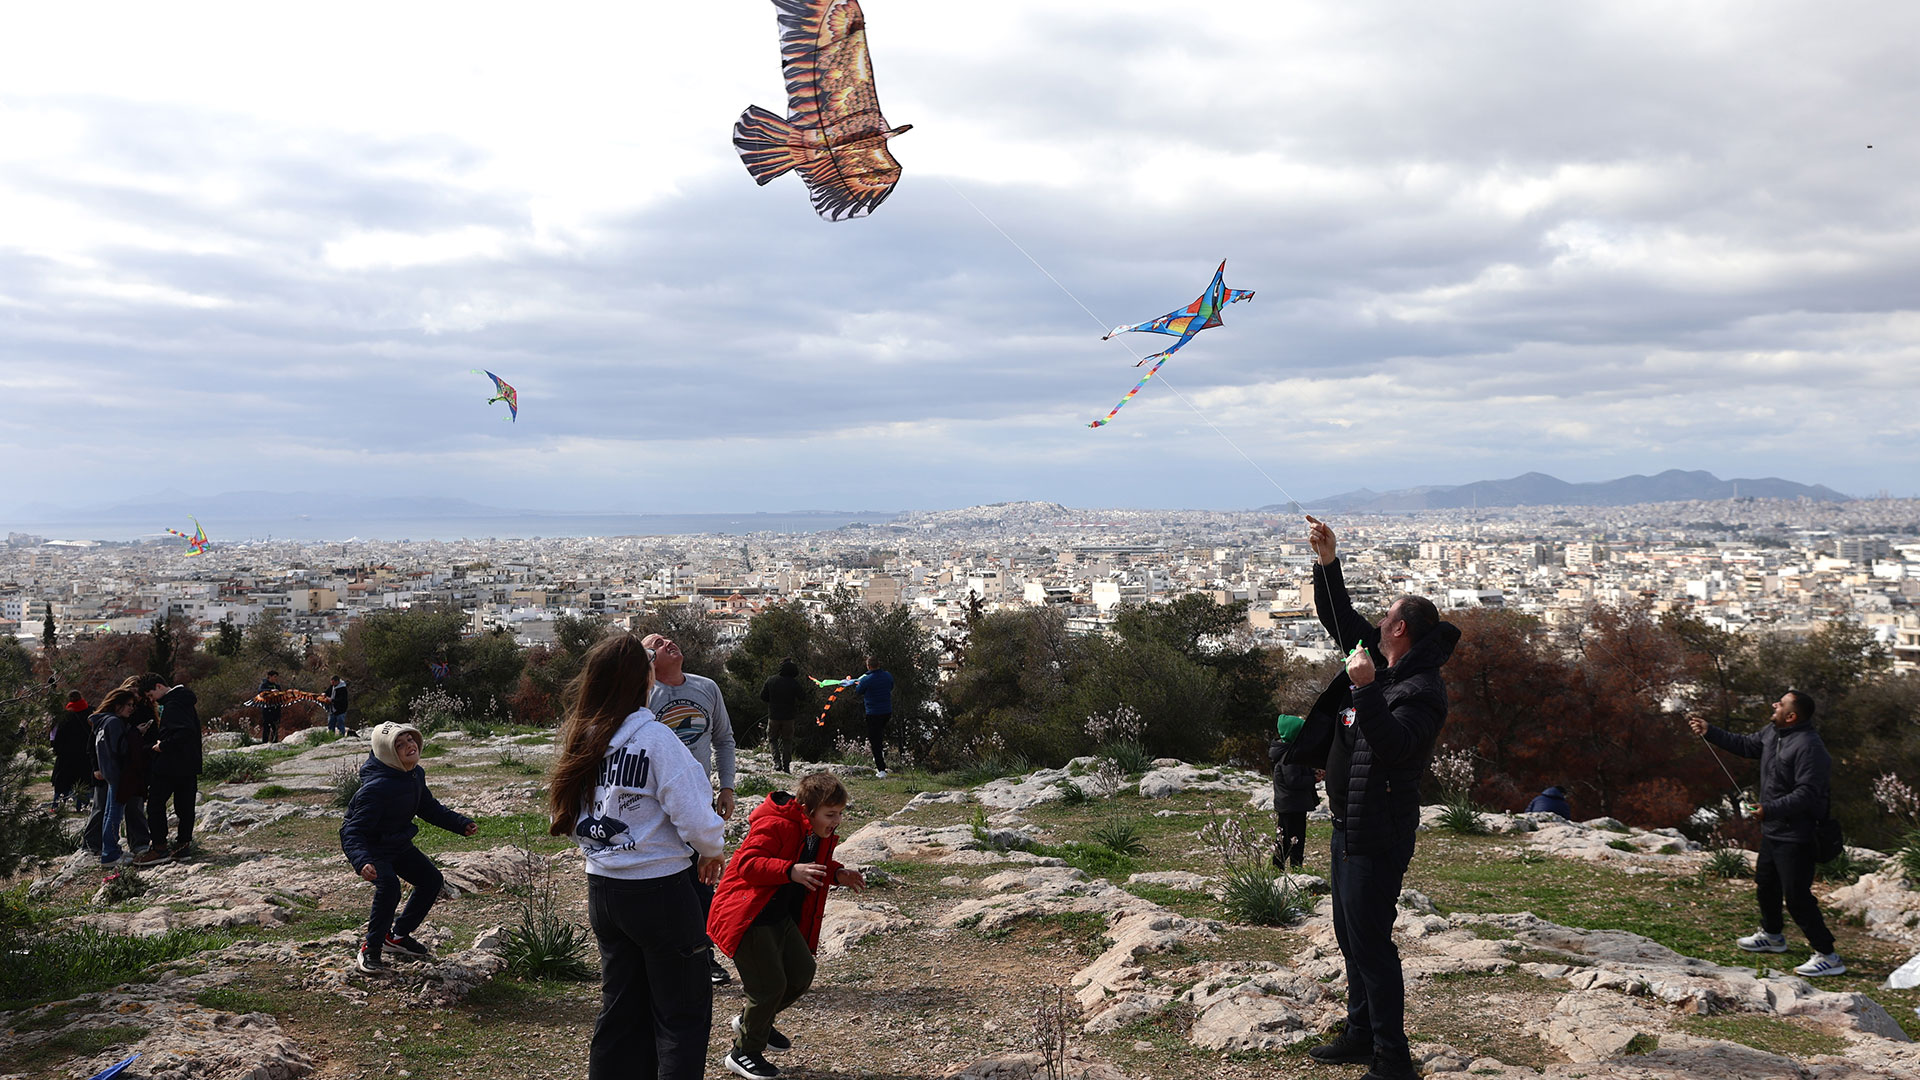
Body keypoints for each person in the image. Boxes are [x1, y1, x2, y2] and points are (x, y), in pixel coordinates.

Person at [1289, 516, 1459, 1080]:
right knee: (1350, 936)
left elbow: (1397, 749)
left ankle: (1393, 1058)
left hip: (1378, 830)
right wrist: (1328, 562)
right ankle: (1360, 1034)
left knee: (1372, 943)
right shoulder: (1388, 668)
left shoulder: (1417, 690)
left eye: (1386, 618)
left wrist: (1363, 689)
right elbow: (1340, 620)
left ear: (1402, 631)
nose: (1377, 623)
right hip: (1348, 822)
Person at [549, 633, 726, 1080]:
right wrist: (710, 851)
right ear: (642, 681)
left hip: (603, 888)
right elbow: (695, 815)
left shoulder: (584, 737)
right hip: (659, 889)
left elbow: (573, 813)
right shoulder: (655, 738)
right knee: (681, 1016)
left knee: (621, 1011)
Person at [707, 771, 866, 1080]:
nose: (836, 821)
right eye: (830, 814)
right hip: (748, 916)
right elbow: (747, 865)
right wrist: (790, 871)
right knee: (769, 986)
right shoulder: (776, 823)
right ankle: (743, 1053)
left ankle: (753, 1023)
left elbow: (808, 862)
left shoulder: (814, 832)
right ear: (807, 810)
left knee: (801, 973)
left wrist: (836, 874)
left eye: (840, 814)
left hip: (778, 916)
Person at [1688, 692, 1844, 977]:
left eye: (1780, 704)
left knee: (1796, 896)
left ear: (1792, 715)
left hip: (1798, 834)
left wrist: (1769, 809)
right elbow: (1746, 745)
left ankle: (1827, 954)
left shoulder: (1810, 747)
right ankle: (1773, 936)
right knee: (1766, 884)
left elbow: (1808, 794)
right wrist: (1710, 731)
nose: (1774, 705)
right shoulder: (1774, 732)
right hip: (1774, 830)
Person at [339, 721, 479, 973]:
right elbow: (351, 830)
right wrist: (361, 861)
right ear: (388, 753)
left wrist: (460, 824)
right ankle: (370, 949)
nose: (409, 746)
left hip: (398, 844)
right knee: (390, 887)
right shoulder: (376, 789)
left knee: (431, 880)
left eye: (410, 739)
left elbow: (428, 808)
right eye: (399, 744)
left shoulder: (413, 773)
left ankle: (397, 937)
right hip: (373, 850)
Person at [642, 631, 739, 986]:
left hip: (699, 799)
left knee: (702, 883)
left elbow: (723, 739)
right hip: (656, 804)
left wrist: (726, 787)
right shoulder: (646, 697)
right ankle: (661, 957)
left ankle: (704, 956)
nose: (668, 643)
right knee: (664, 881)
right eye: (656, 645)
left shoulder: (706, 687)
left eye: (668, 639)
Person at [139, 673, 202, 862]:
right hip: (188, 763)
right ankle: (183, 846)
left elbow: (183, 732)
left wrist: (162, 745)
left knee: (155, 805)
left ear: (159, 686)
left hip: (170, 764)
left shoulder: (173, 704)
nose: (152, 700)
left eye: (151, 695)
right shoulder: (184, 700)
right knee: (185, 806)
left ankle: (159, 848)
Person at [93, 685, 155, 874]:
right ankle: (110, 854)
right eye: (128, 705)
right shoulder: (114, 723)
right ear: (117, 705)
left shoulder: (102, 722)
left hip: (110, 774)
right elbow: (122, 749)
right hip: (118, 774)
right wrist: (136, 734)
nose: (131, 708)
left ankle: (110, 850)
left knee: (109, 813)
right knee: (114, 815)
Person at [1269, 713, 1317, 870]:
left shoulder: (1290, 753)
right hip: (1291, 805)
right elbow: (1293, 780)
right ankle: (1280, 866)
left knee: (1292, 837)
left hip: (1292, 804)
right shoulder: (1289, 757)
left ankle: (1293, 866)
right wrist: (1313, 779)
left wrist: (1312, 773)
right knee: (1290, 838)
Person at [842, 656, 894, 778]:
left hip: (873, 713)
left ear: (868, 666)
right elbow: (891, 687)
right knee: (879, 736)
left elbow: (858, 691)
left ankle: (881, 770)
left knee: (875, 740)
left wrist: (860, 683)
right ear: (879, 664)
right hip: (887, 711)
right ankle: (881, 758)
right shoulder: (888, 676)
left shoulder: (867, 679)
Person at [759, 659, 808, 773]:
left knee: (772, 739)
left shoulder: (771, 680)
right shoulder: (794, 683)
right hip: (789, 718)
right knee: (787, 741)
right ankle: (786, 766)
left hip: (773, 716)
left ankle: (777, 762)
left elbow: (763, 697)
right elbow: (803, 697)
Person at [50, 691, 95, 812]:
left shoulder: (65, 715)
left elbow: (57, 735)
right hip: (85, 754)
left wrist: (57, 749)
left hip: (66, 756)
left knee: (63, 781)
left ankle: (57, 804)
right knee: (83, 780)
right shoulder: (91, 711)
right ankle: (82, 804)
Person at [257, 670, 283, 744]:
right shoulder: (264, 685)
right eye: (274, 677)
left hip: (276, 709)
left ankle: (275, 742)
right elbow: (260, 692)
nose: (276, 679)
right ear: (270, 677)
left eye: (276, 677)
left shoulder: (277, 686)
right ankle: (264, 743)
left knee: (275, 727)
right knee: (266, 727)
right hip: (267, 709)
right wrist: (270, 691)